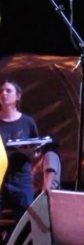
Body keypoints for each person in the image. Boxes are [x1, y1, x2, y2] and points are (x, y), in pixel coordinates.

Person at [0, 79, 38, 218]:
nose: (4, 93)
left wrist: (29, 152)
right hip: (1, 180)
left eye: (8, 90)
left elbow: (37, 152)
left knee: (27, 221)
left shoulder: (27, 123)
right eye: (1, 91)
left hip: (21, 182)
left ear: (18, 96)